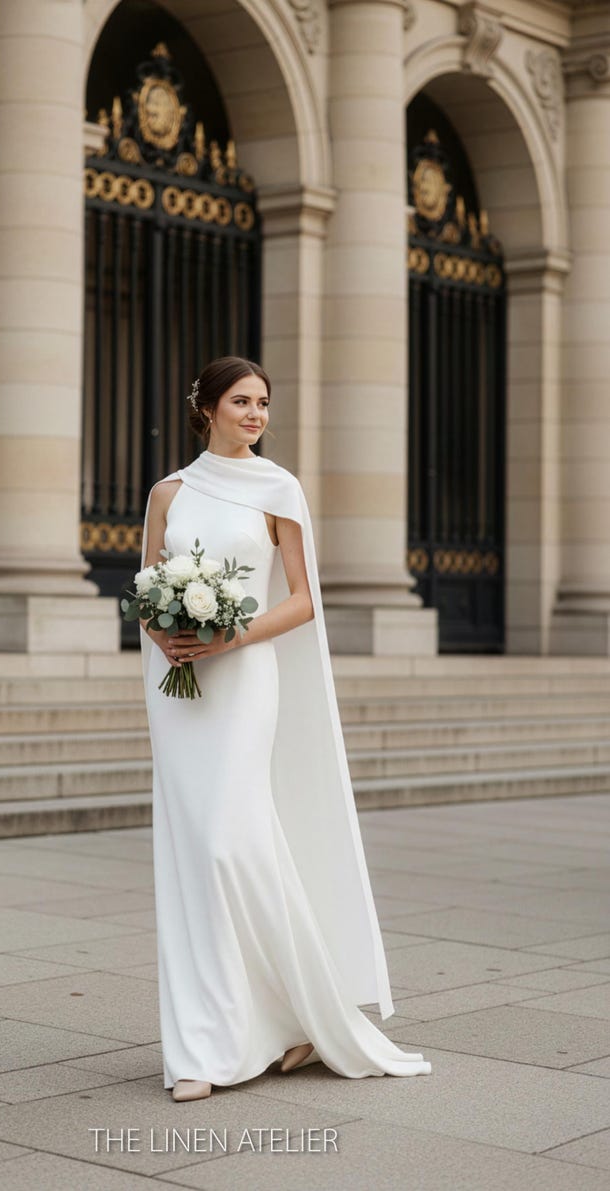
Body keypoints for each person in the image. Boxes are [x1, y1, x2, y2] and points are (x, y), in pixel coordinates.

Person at [139, 356, 432, 1102]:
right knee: (191, 856)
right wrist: (168, 634)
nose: (257, 414)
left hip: (244, 681)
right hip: (181, 692)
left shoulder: (278, 488)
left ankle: (305, 1012)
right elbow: (147, 589)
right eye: (242, 401)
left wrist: (228, 637)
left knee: (226, 843)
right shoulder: (167, 493)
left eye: (264, 402)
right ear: (205, 406)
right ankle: (204, 1045)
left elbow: (303, 601)